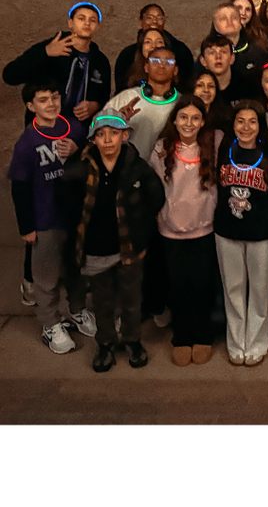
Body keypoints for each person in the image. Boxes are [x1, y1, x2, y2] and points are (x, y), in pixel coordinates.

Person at [63, 113, 165, 372]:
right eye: (101, 134)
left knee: (131, 299)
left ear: (125, 135)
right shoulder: (79, 169)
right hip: (96, 248)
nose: (108, 139)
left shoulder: (137, 167)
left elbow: (155, 198)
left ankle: (132, 340)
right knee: (102, 300)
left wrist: (141, 230)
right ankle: (106, 343)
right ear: (93, 140)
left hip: (130, 246)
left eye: (113, 133)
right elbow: (69, 206)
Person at [8, 82, 90, 355]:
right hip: (45, 219)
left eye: (55, 97)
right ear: (31, 106)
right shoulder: (27, 143)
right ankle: (50, 323)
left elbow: (87, 154)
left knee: (77, 269)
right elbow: (19, 187)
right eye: (43, 100)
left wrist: (77, 149)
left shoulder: (72, 127)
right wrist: (27, 227)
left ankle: (77, 311)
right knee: (47, 276)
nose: (51, 104)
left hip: (73, 215)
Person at [150, 97, 221, 366]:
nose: (188, 123)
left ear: (203, 121)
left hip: (204, 230)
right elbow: (154, 189)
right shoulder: (161, 149)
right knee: (178, 287)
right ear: (174, 120)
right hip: (171, 232)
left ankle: (202, 335)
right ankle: (181, 336)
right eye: (183, 117)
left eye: (195, 118)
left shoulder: (212, 145)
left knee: (202, 286)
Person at [214, 101, 268, 366]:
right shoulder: (224, 149)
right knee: (233, 289)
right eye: (240, 121)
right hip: (227, 229)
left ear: (260, 125)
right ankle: (236, 341)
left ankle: (256, 342)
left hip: (262, 232)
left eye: (252, 121)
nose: (246, 127)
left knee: (261, 290)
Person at [4, 2, 110, 126]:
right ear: (70, 23)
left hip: (79, 133)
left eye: (92, 20)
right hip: (43, 129)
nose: (87, 23)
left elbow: (105, 96)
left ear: (97, 26)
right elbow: (10, 75)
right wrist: (45, 52)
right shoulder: (49, 47)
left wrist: (96, 105)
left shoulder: (100, 61)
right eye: (81, 18)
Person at [100, 43, 179, 159]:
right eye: (155, 60)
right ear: (146, 67)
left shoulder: (182, 104)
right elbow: (96, 131)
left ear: (175, 70)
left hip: (166, 170)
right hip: (128, 170)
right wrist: (116, 120)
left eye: (168, 62)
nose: (161, 65)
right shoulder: (126, 98)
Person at [113, 4, 193, 92]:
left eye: (159, 18)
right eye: (149, 17)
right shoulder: (127, 55)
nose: (154, 21)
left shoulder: (180, 51)